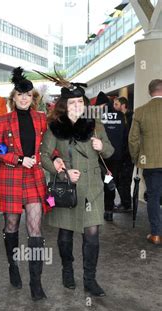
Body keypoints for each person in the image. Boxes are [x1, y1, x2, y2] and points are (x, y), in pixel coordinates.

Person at [40, 74, 114, 297]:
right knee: (65, 236)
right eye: (72, 103)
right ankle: (67, 271)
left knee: (92, 234)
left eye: (80, 102)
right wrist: (61, 170)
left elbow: (111, 152)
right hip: (67, 189)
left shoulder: (96, 125)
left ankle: (90, 279)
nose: (77, 106)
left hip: (93, 188)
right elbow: (43, 156)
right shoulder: (55, 127)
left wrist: (102, 146)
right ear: (64, 106)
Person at [0, 67, 49, 301]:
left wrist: (53, 158)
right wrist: (17, 159)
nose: (24, 98)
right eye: (20, 95)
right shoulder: (3, 121)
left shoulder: (42, 119)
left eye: (28, 95)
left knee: (35, 229)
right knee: (11, 226)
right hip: (11, 177)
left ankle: (36, 282)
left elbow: (48, 147)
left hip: (34, 177)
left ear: (32, 98)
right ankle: (12, 264)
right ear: (13, 98)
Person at [129, 79, 162, 245]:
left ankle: (156, 234)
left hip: (150, 162)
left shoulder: (141, 111)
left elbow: (133, 139)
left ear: (150, 92)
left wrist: (136, 157)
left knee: (154, 197)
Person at [94, 91, 125, 222]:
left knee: (99, 183)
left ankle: (96, 210)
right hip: (116, 156)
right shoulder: (120, 115)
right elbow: (125, 136)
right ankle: (109, 210)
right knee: (110, 181)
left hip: (100, 157)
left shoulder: (96, 117)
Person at [113, 96, 134, 213]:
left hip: (128, 155)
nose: (114, 107)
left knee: (125, 180)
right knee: (118, 179)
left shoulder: (132, 118)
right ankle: (125, 203)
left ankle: (126, 204)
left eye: (116, 104)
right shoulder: (118, 118)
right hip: (119, 154)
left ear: (123, 105)